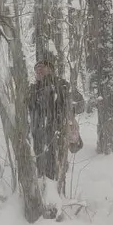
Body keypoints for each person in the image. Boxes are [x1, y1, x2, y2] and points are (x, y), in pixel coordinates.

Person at [26, 59, 84, 189]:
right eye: (37, 69)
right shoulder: (33, 90)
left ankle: (56, 203)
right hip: (38, 139)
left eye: (42, 67)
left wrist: (66, 110)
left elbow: (80, 105)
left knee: (55, 176)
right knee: (39, 175)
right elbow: (26, 112)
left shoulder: (62, 85)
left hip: (56, 137)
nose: (39, 70)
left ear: (50, 69)